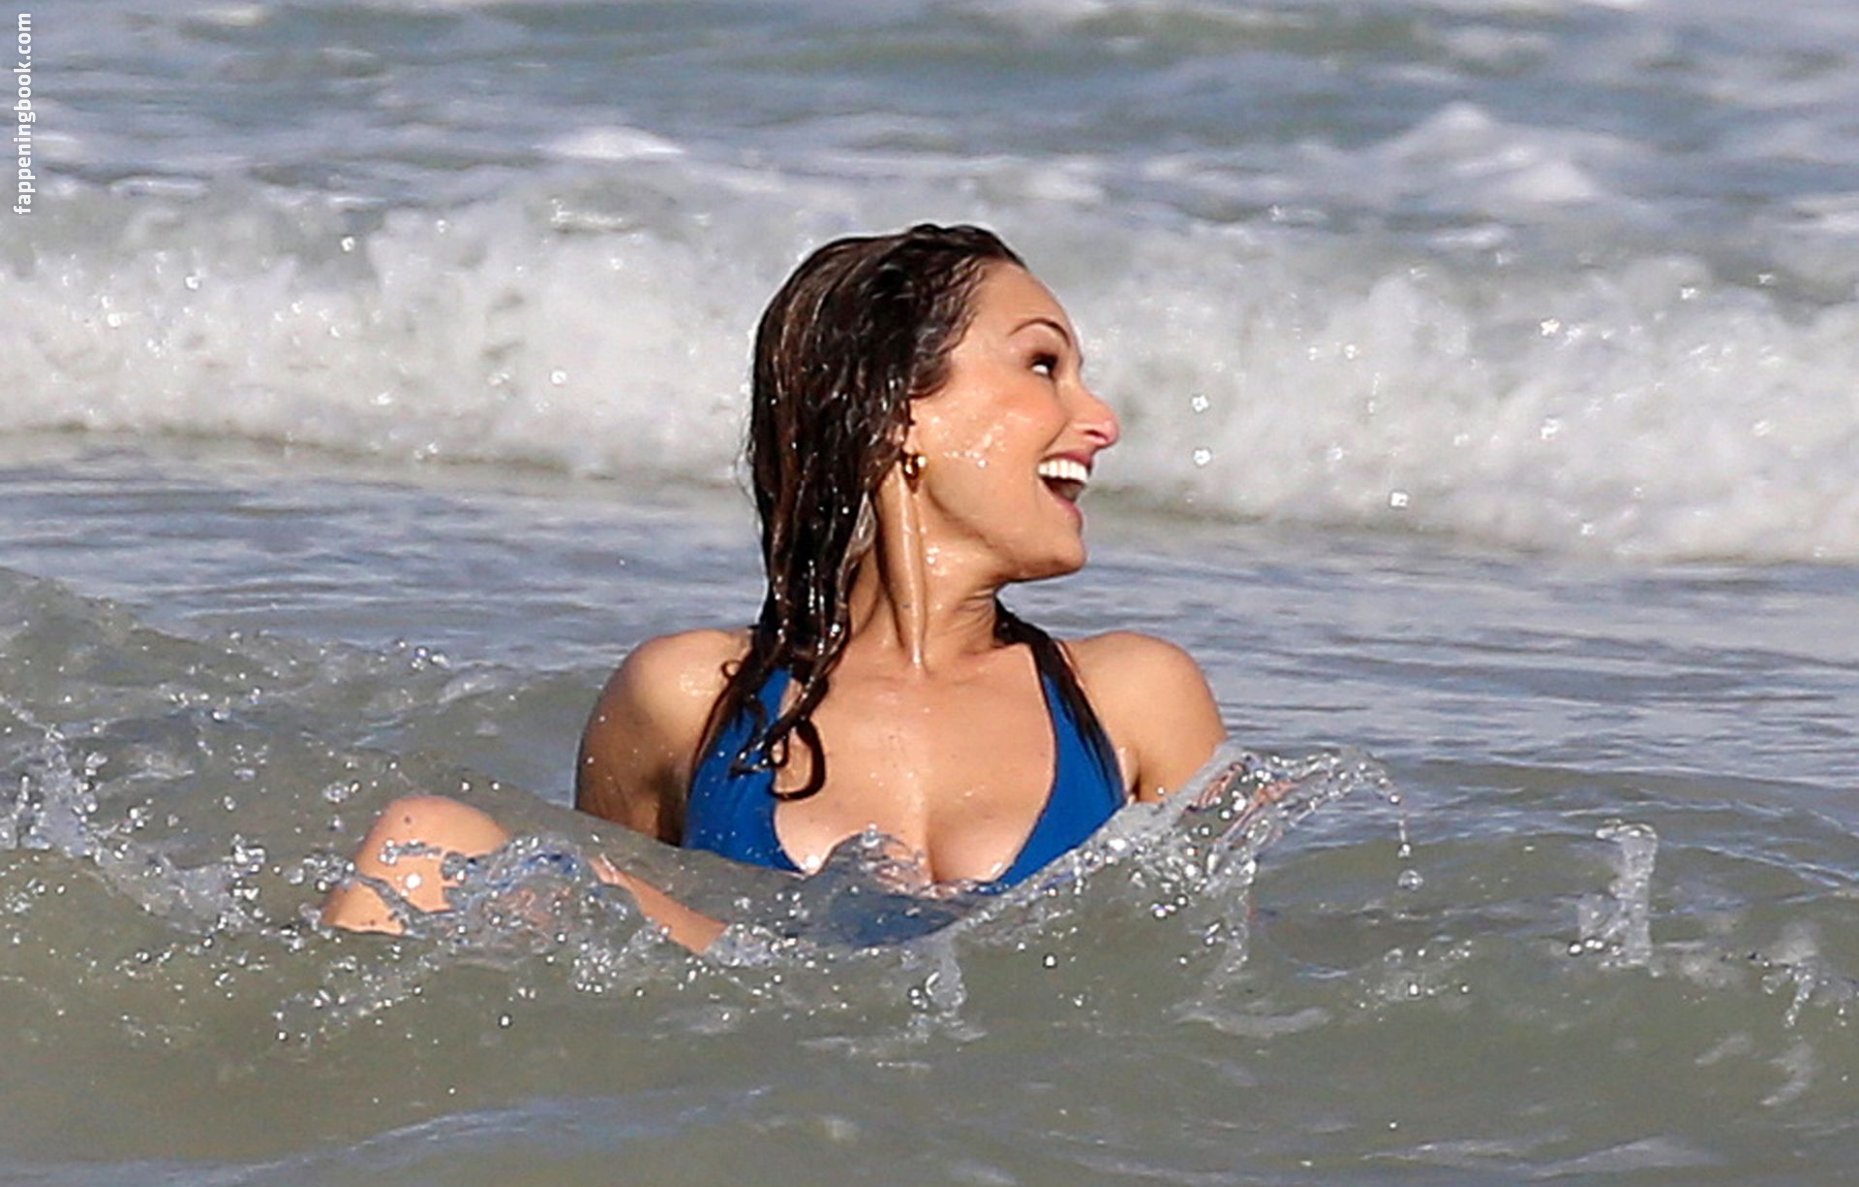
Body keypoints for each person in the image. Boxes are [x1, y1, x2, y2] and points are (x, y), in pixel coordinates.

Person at [321, 224, 1226, 953]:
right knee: (420, 841)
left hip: (1003, 1082)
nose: (1100, 421)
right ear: (897, 408)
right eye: (1042, 366)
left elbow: (1225, 983)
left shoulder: (1131, 700)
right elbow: (593, 975)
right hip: (764, 1065)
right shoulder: (688, 699)